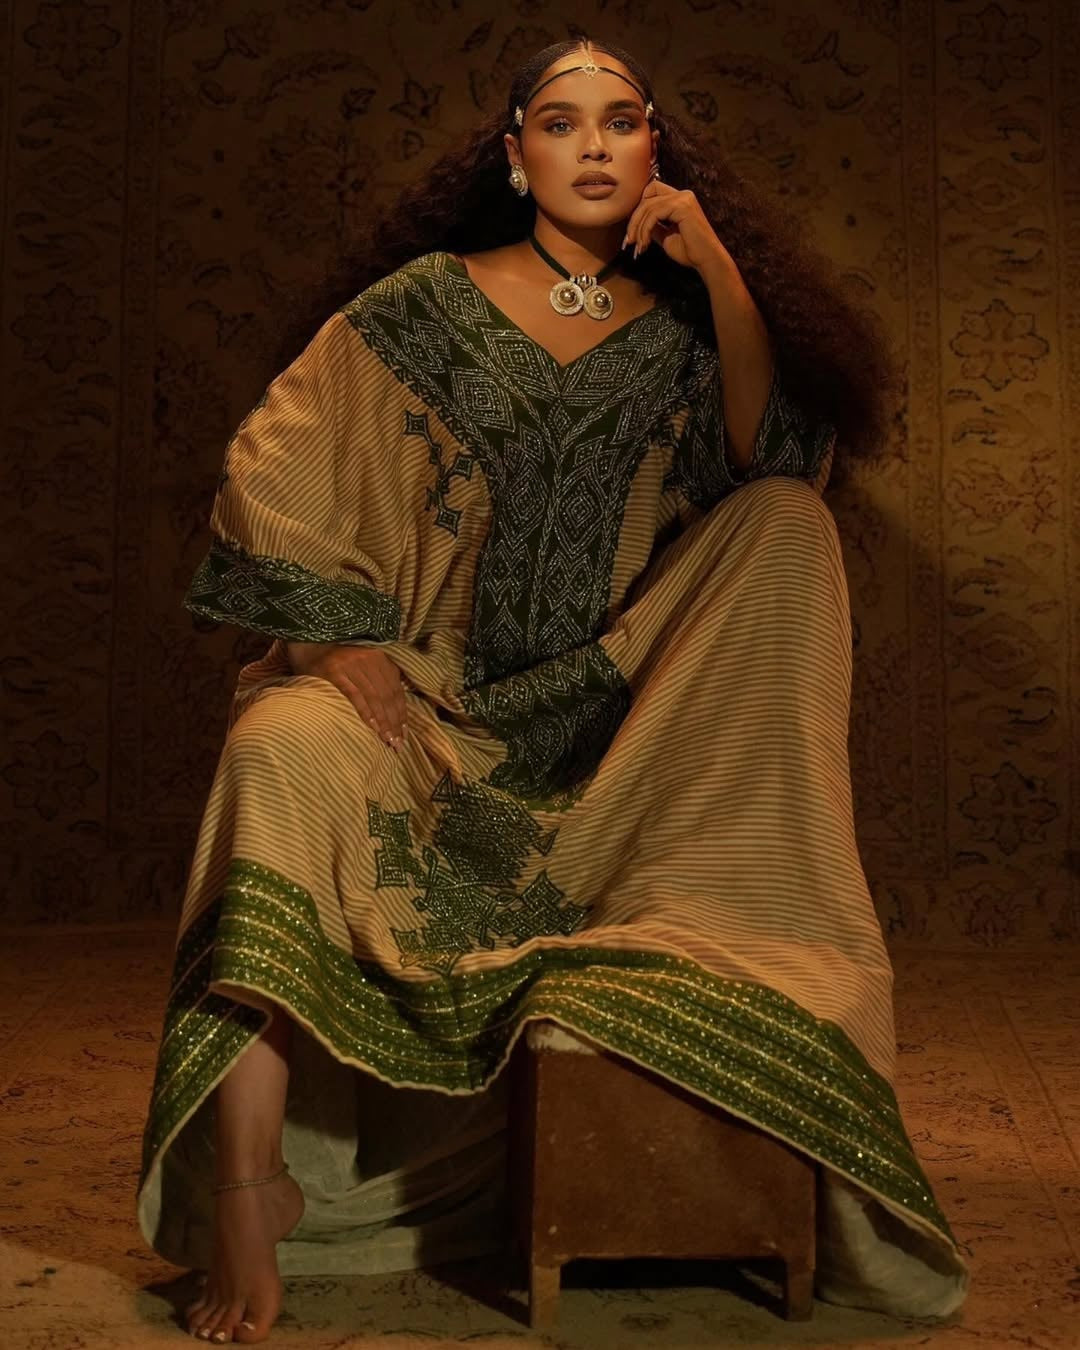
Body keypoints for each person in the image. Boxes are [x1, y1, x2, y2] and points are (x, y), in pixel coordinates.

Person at [137, 35, 968, 1345]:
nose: (594, 144)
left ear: (659, 155)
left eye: (624, 122)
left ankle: (711, 905)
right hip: (418, 721)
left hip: (618, 741)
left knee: (788, 530)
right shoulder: (421, 306)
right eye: (562, 122)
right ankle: (248, 1187)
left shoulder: (693, 338)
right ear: (515, 157)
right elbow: (275, 469)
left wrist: (721, 273)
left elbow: (783, 465)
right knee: (277, 745)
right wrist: (327, 637)